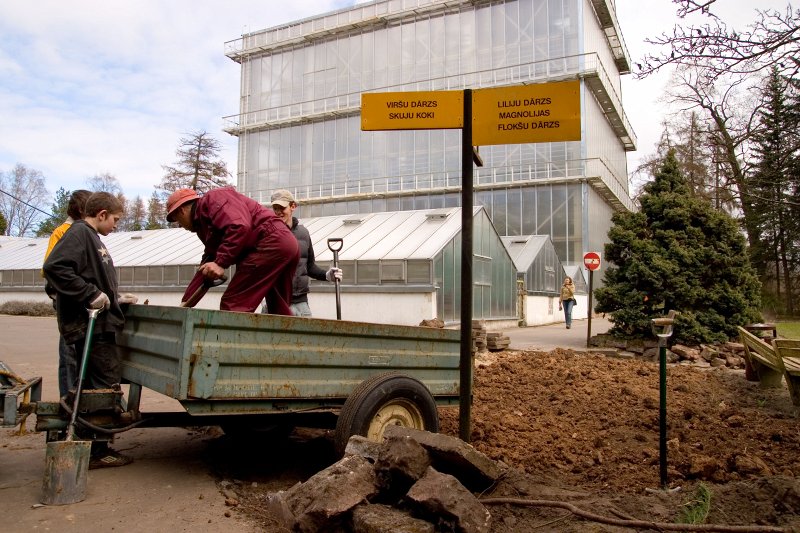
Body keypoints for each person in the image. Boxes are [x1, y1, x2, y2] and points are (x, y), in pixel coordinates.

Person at [43, 191, 135, 469]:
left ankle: (91, 443)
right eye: (115, 220)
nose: (117, 226)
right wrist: (89, 294)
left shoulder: (90, 238)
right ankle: (97, 450)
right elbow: (55, 268)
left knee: (99, 385)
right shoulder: (79, 233)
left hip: (99, 324)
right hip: (90, 327)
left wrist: (112, 297)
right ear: (102, 214)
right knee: (102, 388)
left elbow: (88, 274)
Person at [166, 186, 299, 314]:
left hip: (270, 242)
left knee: (234, 304)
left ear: (181, 211)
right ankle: (290, 337)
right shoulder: (205, 223)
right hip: (286, 244)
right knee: (278, 308)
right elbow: (210, 258)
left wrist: (220, 263)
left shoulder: (213, 198)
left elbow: (239, 226)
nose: (181, 226)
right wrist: (186, 301)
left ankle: (229, 337)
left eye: (178, 221)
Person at [42, 189, 92, 399]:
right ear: (82, 210)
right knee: (69, 352)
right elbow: (51, 270)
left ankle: (84, 398)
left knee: (85, 355)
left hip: (87, 303)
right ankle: (68, 399)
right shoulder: (63, 232)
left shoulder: (87, 233)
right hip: (72, 304)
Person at [266, 189, 342, 317]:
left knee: (306, 336)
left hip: (301, 304)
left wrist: (327, 275)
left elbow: (309, 266)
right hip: (277, 303)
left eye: (282, 208)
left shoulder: (303, 233)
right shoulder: (268, 234)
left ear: (293, 206)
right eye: (275, 208)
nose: (278, 212)